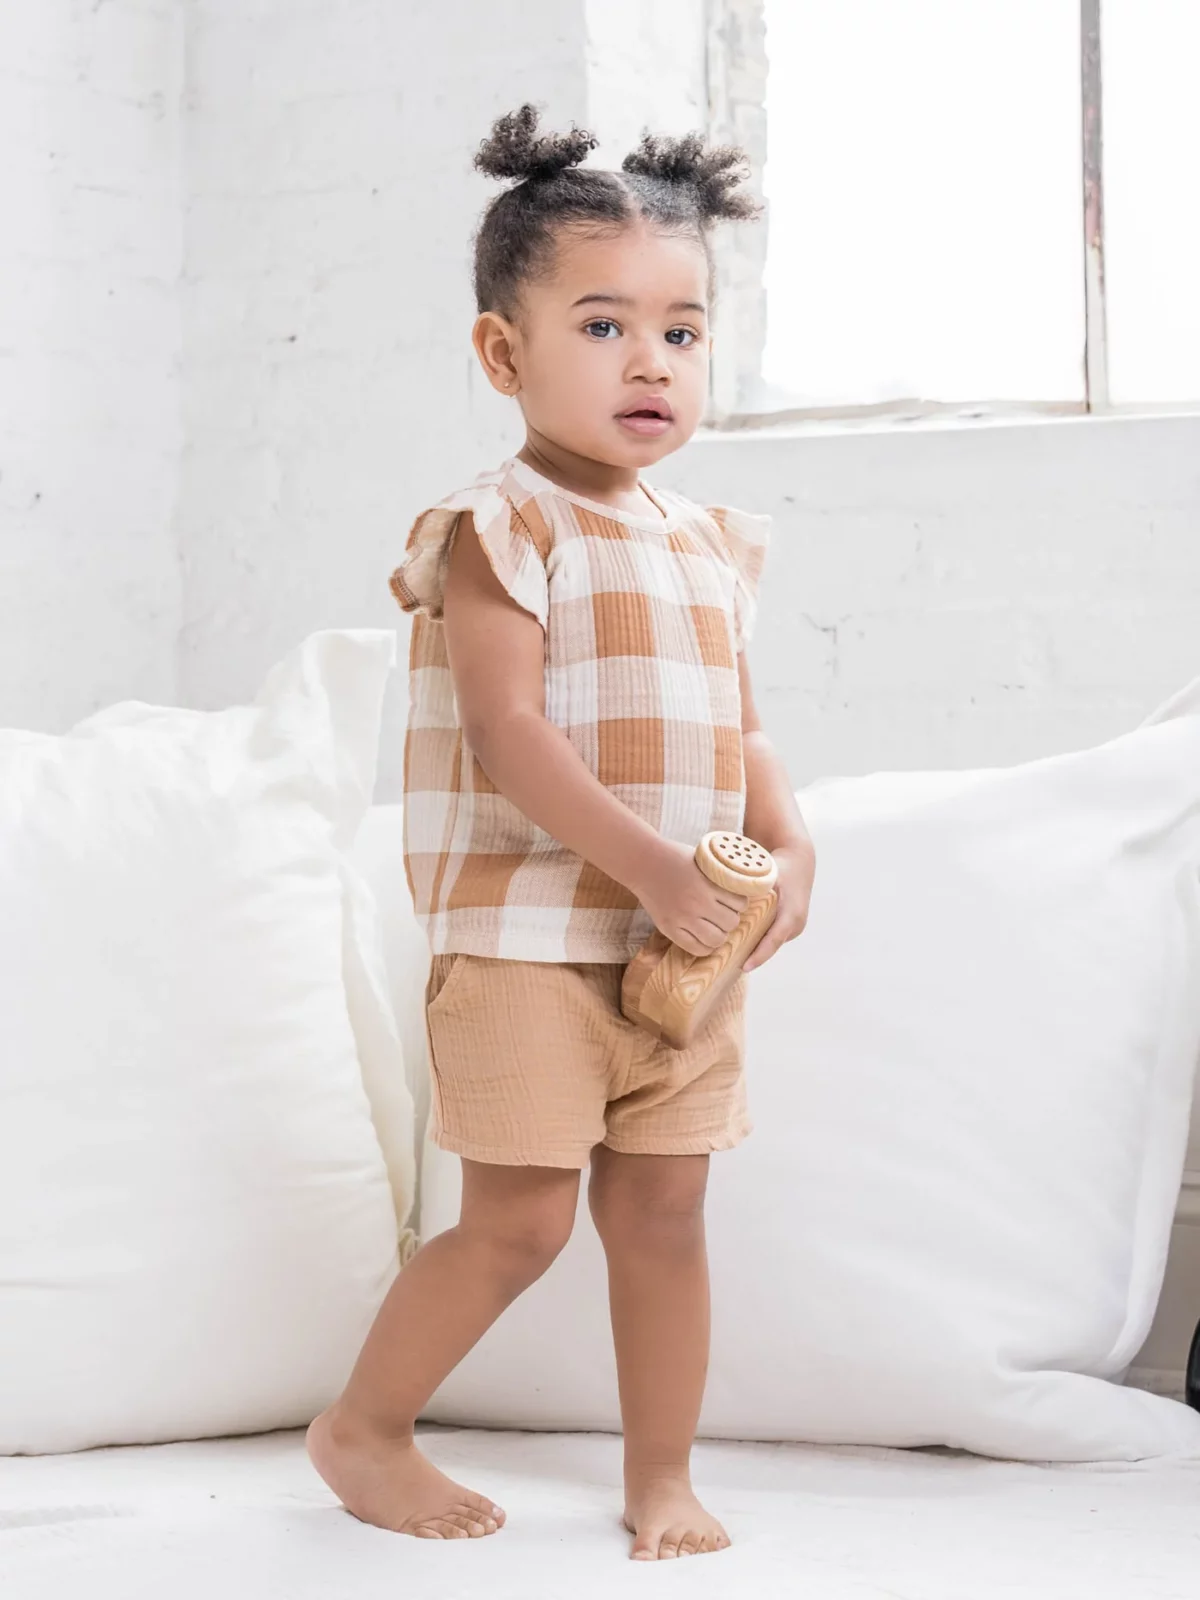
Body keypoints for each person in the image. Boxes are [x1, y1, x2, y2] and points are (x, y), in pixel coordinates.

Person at [308, 103, 816, 1562]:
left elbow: (744, 726)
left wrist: (787, 842)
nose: (652, 360)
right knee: (520, 1223)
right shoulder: (495, 527)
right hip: (530, 939)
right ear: (503, 354)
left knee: (664, 1217)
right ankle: (363, 1430)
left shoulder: (712, 543)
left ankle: (662, 1476)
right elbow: (509, 734)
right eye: (603, 325)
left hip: (680, 952)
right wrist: (657, 863)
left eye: (683, 330)